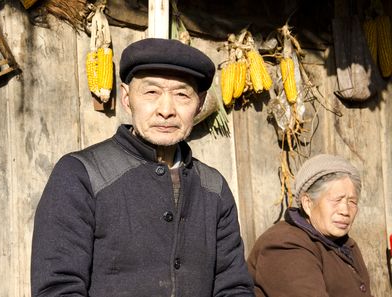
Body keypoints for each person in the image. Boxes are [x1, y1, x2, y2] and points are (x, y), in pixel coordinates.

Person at [31, 38, 255, 297]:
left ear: (200, 104)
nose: (166, 110)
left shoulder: (213, 188)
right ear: (127, 98)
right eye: (151, 92)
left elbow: (234, 286)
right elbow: (58, 287)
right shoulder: (81, 174)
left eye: (182, 94)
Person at [247, 153, 373, 297]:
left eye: (352, 202)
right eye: (336, 200)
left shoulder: (346, 245)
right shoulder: (285, 245)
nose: (345, 211)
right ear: (308, 203)